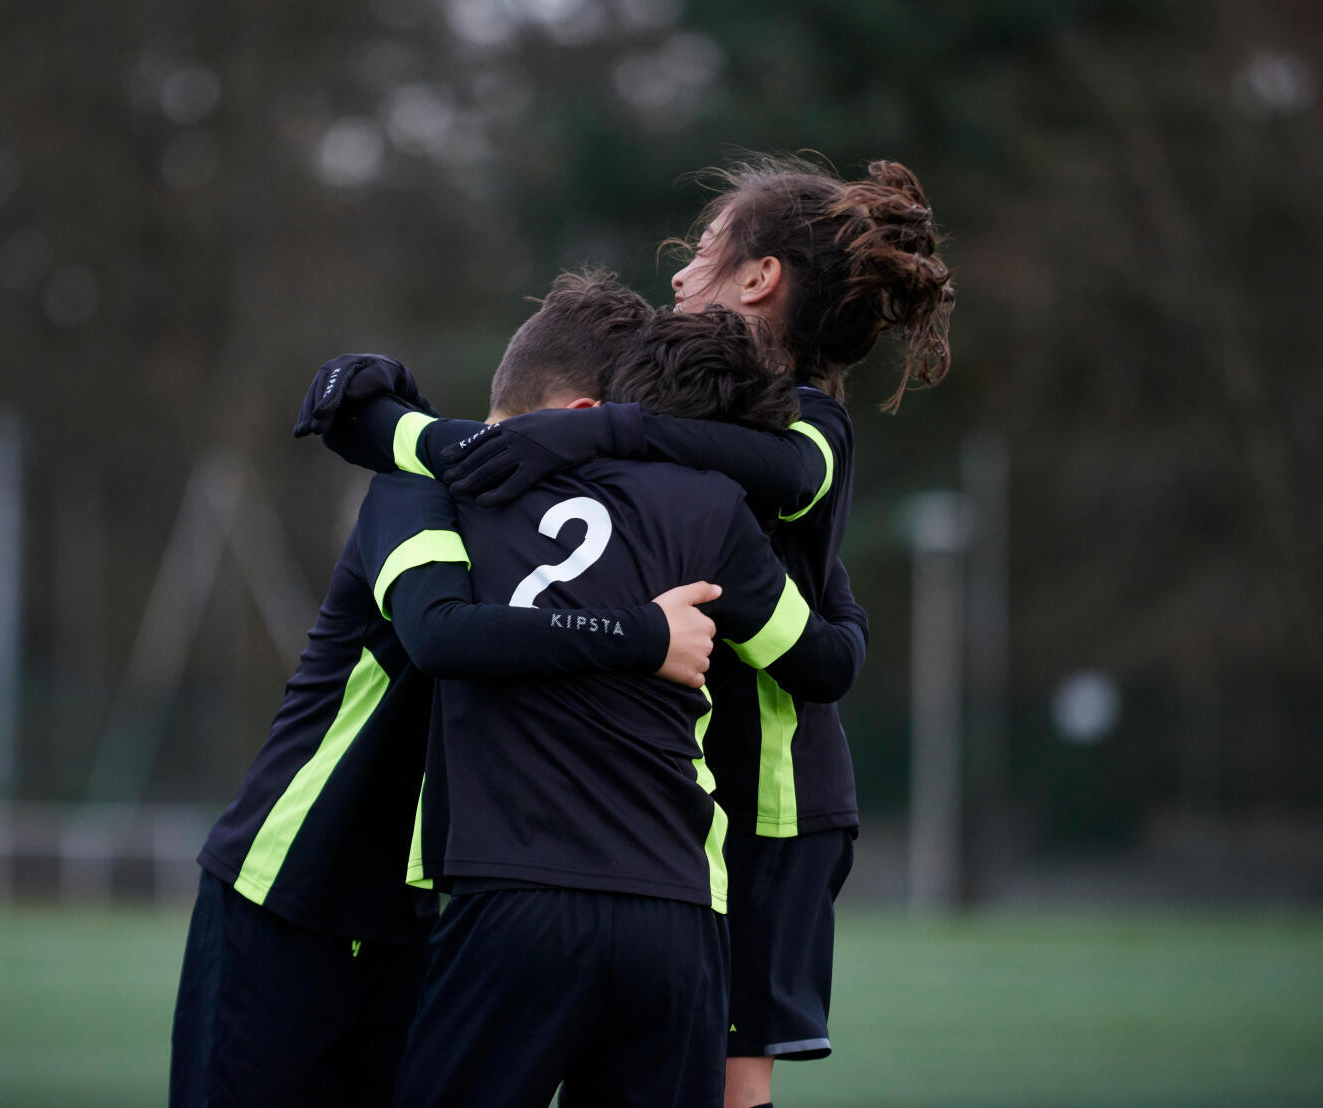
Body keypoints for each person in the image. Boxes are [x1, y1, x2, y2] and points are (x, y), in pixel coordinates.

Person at [339, 155, 953, 1108]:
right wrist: (380, 418)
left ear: (760, 279)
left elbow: (789, 509)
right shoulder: (681, 425)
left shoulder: (811, 426)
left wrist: (597, 430)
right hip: (671, 797)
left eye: (704, 250)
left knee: (729, 1081)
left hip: (770, 803)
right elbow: (506, 450)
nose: (676, 274)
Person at [168, 356, 724, 1107]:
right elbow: (441, 636)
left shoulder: (594, 536)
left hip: (424, 924)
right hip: (287, 893)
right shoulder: (416, 491)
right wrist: (643, 634)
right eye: (622, 432)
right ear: (583, 413)